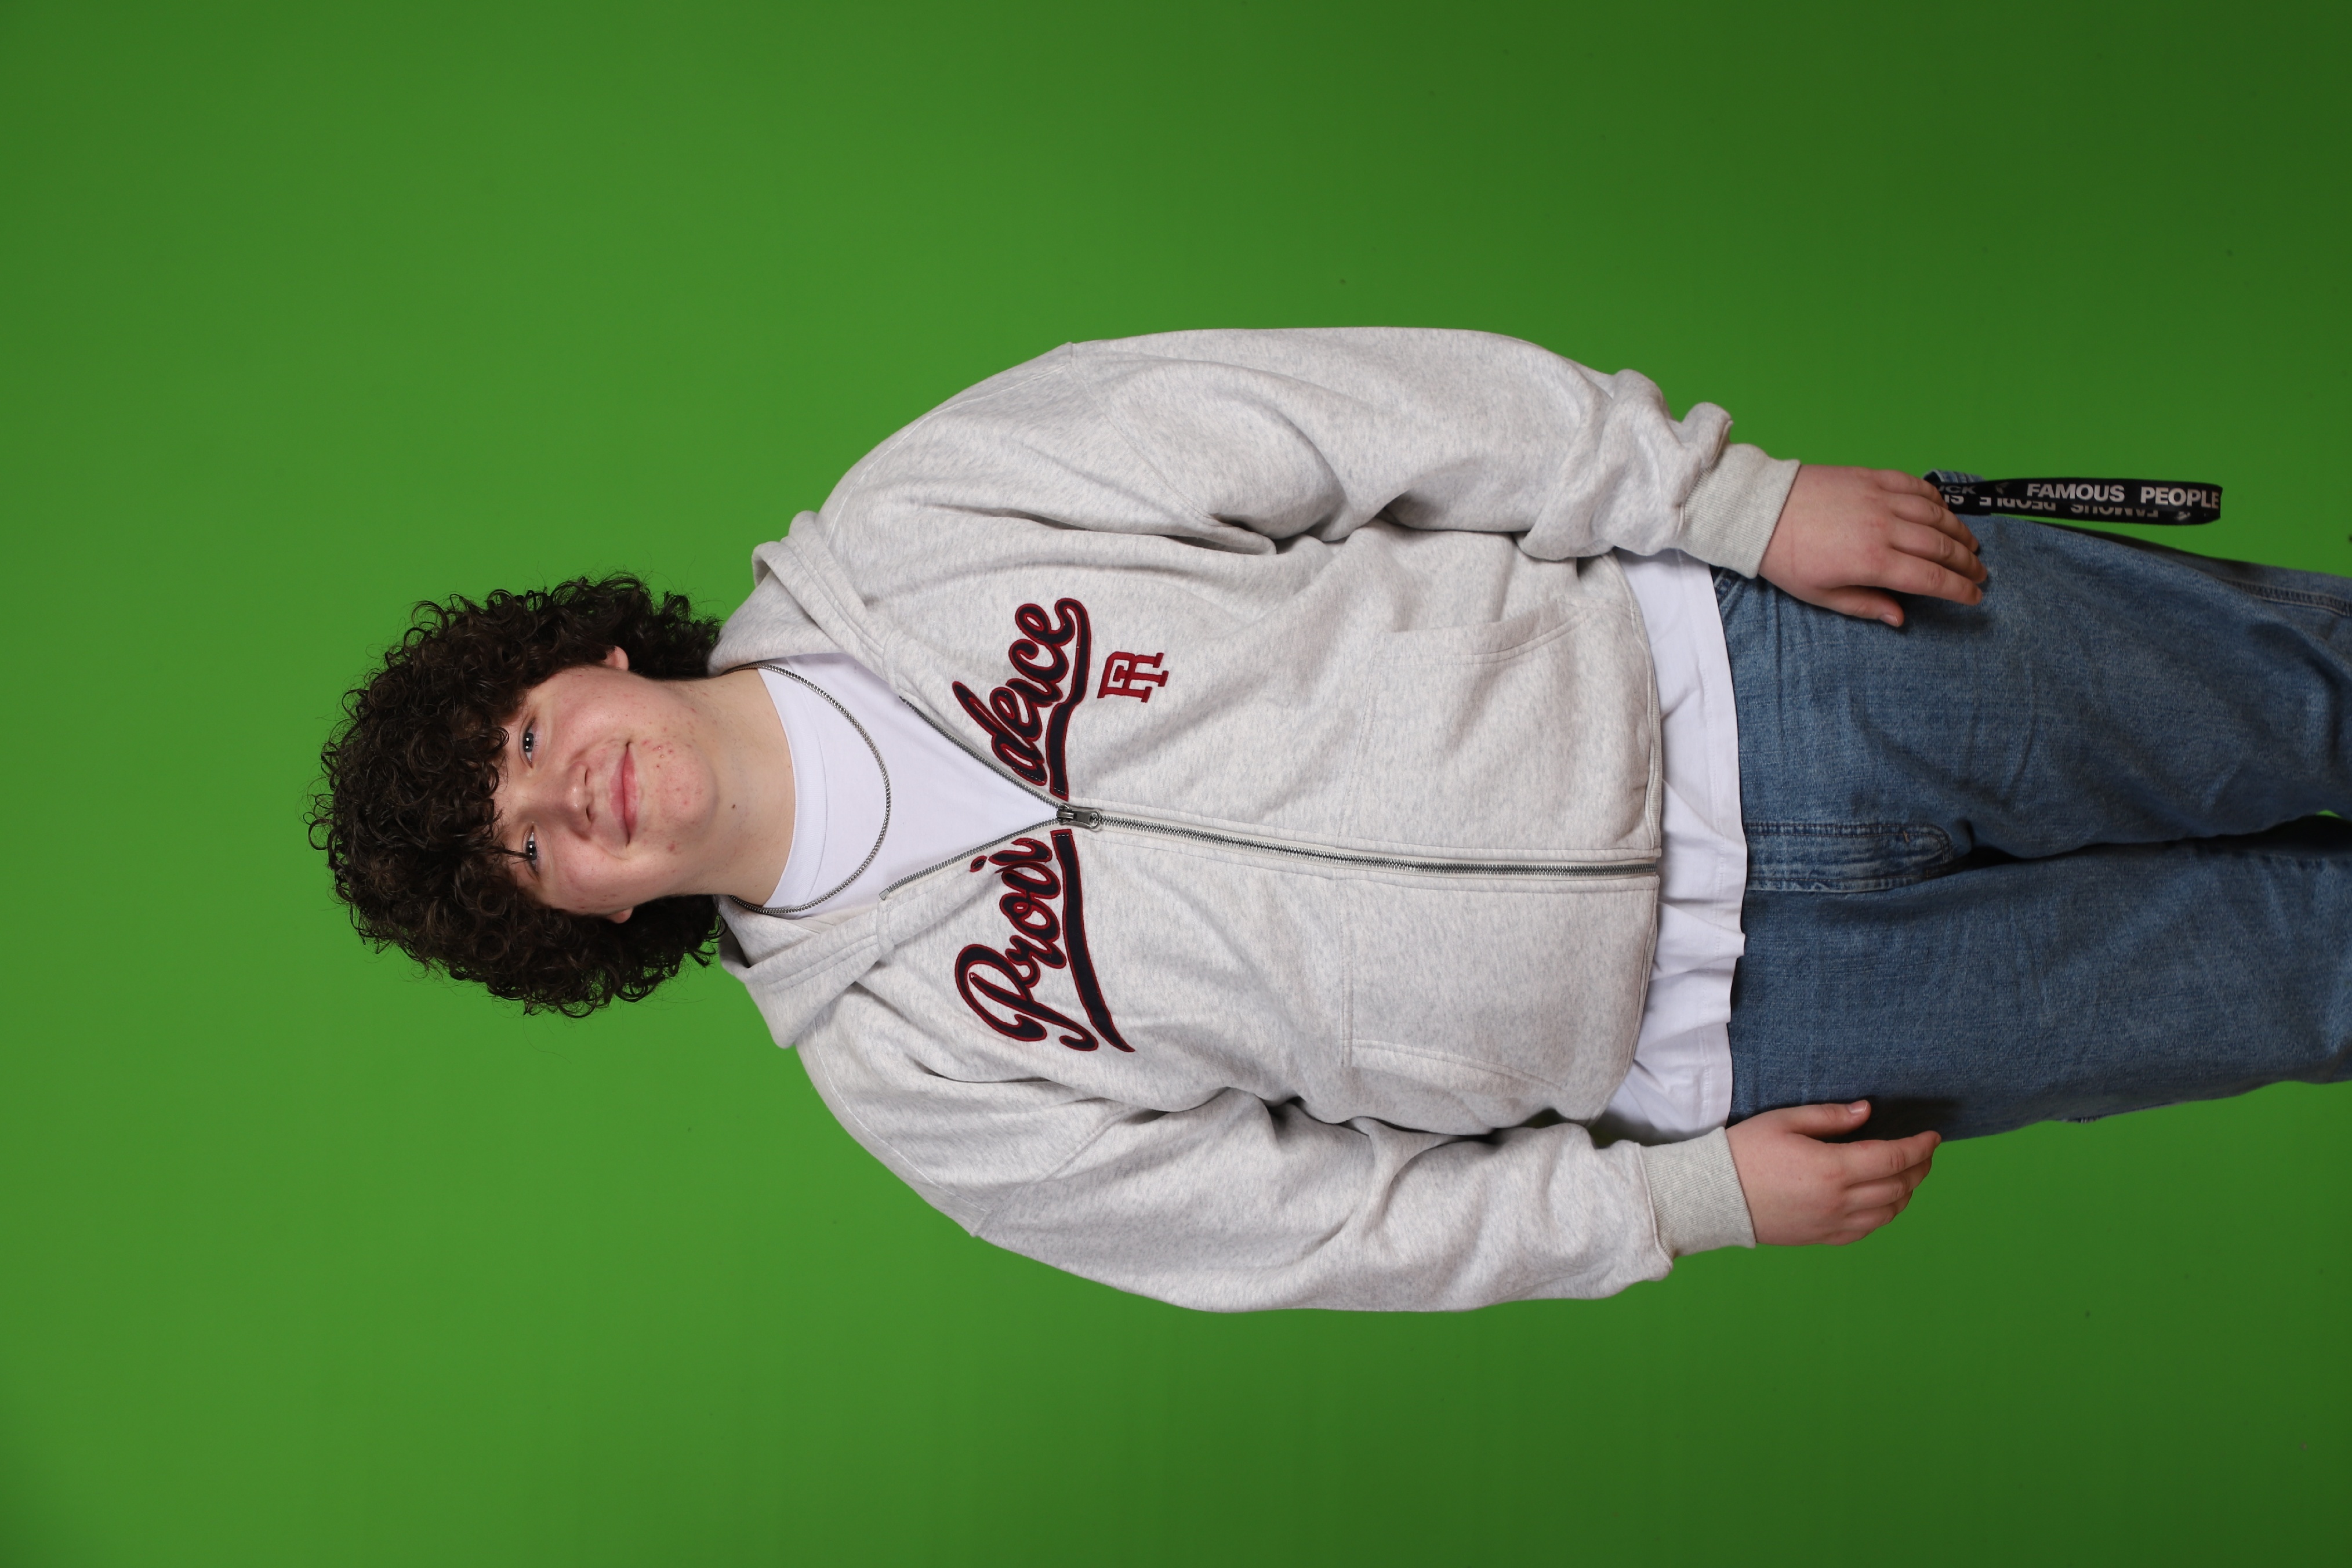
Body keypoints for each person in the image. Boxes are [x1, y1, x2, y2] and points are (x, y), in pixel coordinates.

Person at [314, 328, 2352, 1312]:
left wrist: (1728, 499)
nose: (562, 795)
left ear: (585, 657)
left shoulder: (925, 517)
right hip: (1763, 1037)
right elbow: (1311, 1231)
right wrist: (1669, 1207)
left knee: (2315, 695)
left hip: (1761, 674)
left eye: (523, 738)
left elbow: (1360, 415)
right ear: (586, 922)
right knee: (2307, 977)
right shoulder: (914, 1084)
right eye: (527, 850)